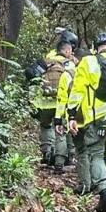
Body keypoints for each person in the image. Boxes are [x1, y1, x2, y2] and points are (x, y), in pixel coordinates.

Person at [61, 32, 106, 212]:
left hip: (95, 118)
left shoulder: (89, 62)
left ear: (96, 46)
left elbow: (77, 91)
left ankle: (104, 191)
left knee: (96, 154)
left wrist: (71, 115)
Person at [34, 32, 76, 171]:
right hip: (61, 103)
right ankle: (60, 161)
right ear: (67, 50)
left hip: (44, 102)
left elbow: (30, 74)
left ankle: (47, 152)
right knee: (62, 130)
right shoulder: (70, 64)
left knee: (46, 126)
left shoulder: (46, 61)